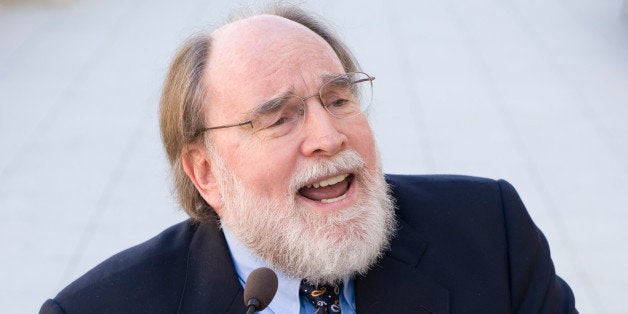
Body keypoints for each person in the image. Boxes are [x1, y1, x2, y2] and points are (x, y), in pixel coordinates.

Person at [40, 4, 577, 314]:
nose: (328, 136)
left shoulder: (491, 230)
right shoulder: (98, 310)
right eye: (279, 118)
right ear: (206, 173)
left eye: (339, 100)